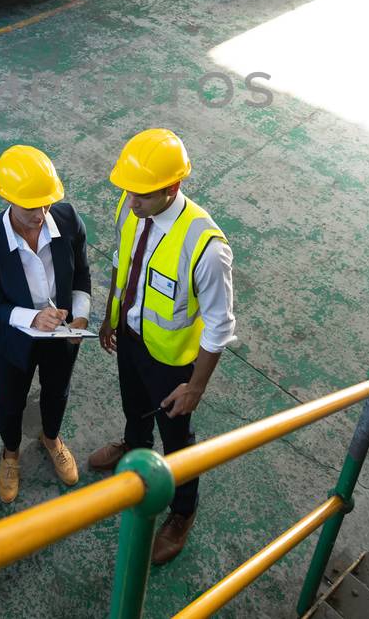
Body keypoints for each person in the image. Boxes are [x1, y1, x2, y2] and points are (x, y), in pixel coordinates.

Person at [89, 128, 236, 565]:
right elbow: (122, 260)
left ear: (173, 188)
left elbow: (219, 326)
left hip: (173, 364)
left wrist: (195, 387)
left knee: (178, 438)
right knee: (134, 406)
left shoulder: (206, 248)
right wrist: (111, 317)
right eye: (128, 192)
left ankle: (182, 511)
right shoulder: (130, 205)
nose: (131, 203)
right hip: (131, 340)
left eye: (143, 196)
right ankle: (135, 450)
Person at [0, 145, 90, 503]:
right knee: (10, 401)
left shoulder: (67, 221)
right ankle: (10, 455)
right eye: (30, 206)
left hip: (61, 336)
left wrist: (79, 313)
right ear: (6, 198)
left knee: (58, 391)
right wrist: (33, 318)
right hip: (12, 342)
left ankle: (51, 438)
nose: (40, 214)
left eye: (46, 204)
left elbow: (81, 273)